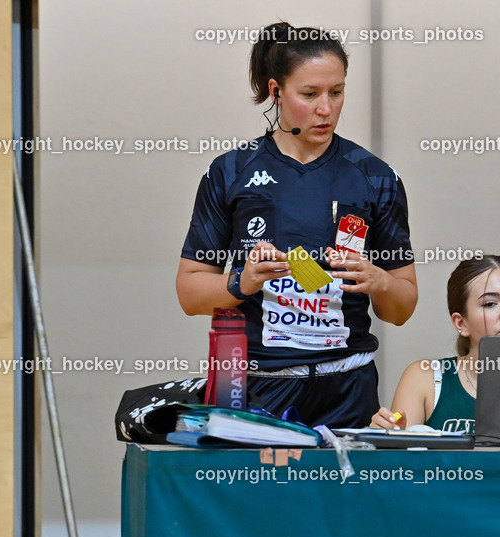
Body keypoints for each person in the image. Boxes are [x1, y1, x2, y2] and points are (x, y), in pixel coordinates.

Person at [176, 22, 417, 428]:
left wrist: (378, 280)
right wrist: (241, 282)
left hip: (348, 389)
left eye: (336, 92)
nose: (326, 109)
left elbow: (402, 309)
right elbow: (189, 292)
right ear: (276, 92)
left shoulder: (375, 177)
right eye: (309, 94)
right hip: (261, 388)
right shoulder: (230, 172)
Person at [371, 255, 500, 433]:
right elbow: (400, 447)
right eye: (490, 304)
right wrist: (384, 436)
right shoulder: (425, 377)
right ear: (461, 323)